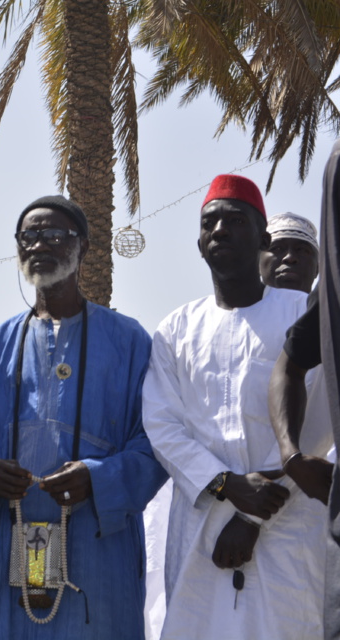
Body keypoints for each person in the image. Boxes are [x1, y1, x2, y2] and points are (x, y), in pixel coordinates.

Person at [0, 195, 166, 639]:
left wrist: (98, 477)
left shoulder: (129, 341)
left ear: (83, 247)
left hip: (96, 546)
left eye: (54, 235)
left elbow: (156, 444)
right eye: (28, 236)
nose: (39, 245)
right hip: (11, 537)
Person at [143, 174, 330, 639]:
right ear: (200, 242)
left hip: (285, 527)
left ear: (263, 239)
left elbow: (318, 426)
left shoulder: (301, 314)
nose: (221, 231)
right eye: (210, 223)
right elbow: (162, 423)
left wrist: (250, 514)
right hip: (201, 522)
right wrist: (226, 485)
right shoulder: (176, 328)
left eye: (235, 221)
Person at [270, 142, 340, 637]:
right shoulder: (190, 325)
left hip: (308, 525)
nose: (289, 257)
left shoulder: (319, 309)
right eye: (278, 247)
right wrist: (290, 460)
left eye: (302, 248)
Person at [260, 211, 319, 293]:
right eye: (277, 248)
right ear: (257, 264)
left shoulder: (333, 305)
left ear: (317, 268)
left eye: (302, 250)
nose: (290, 257)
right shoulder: (238, 305)